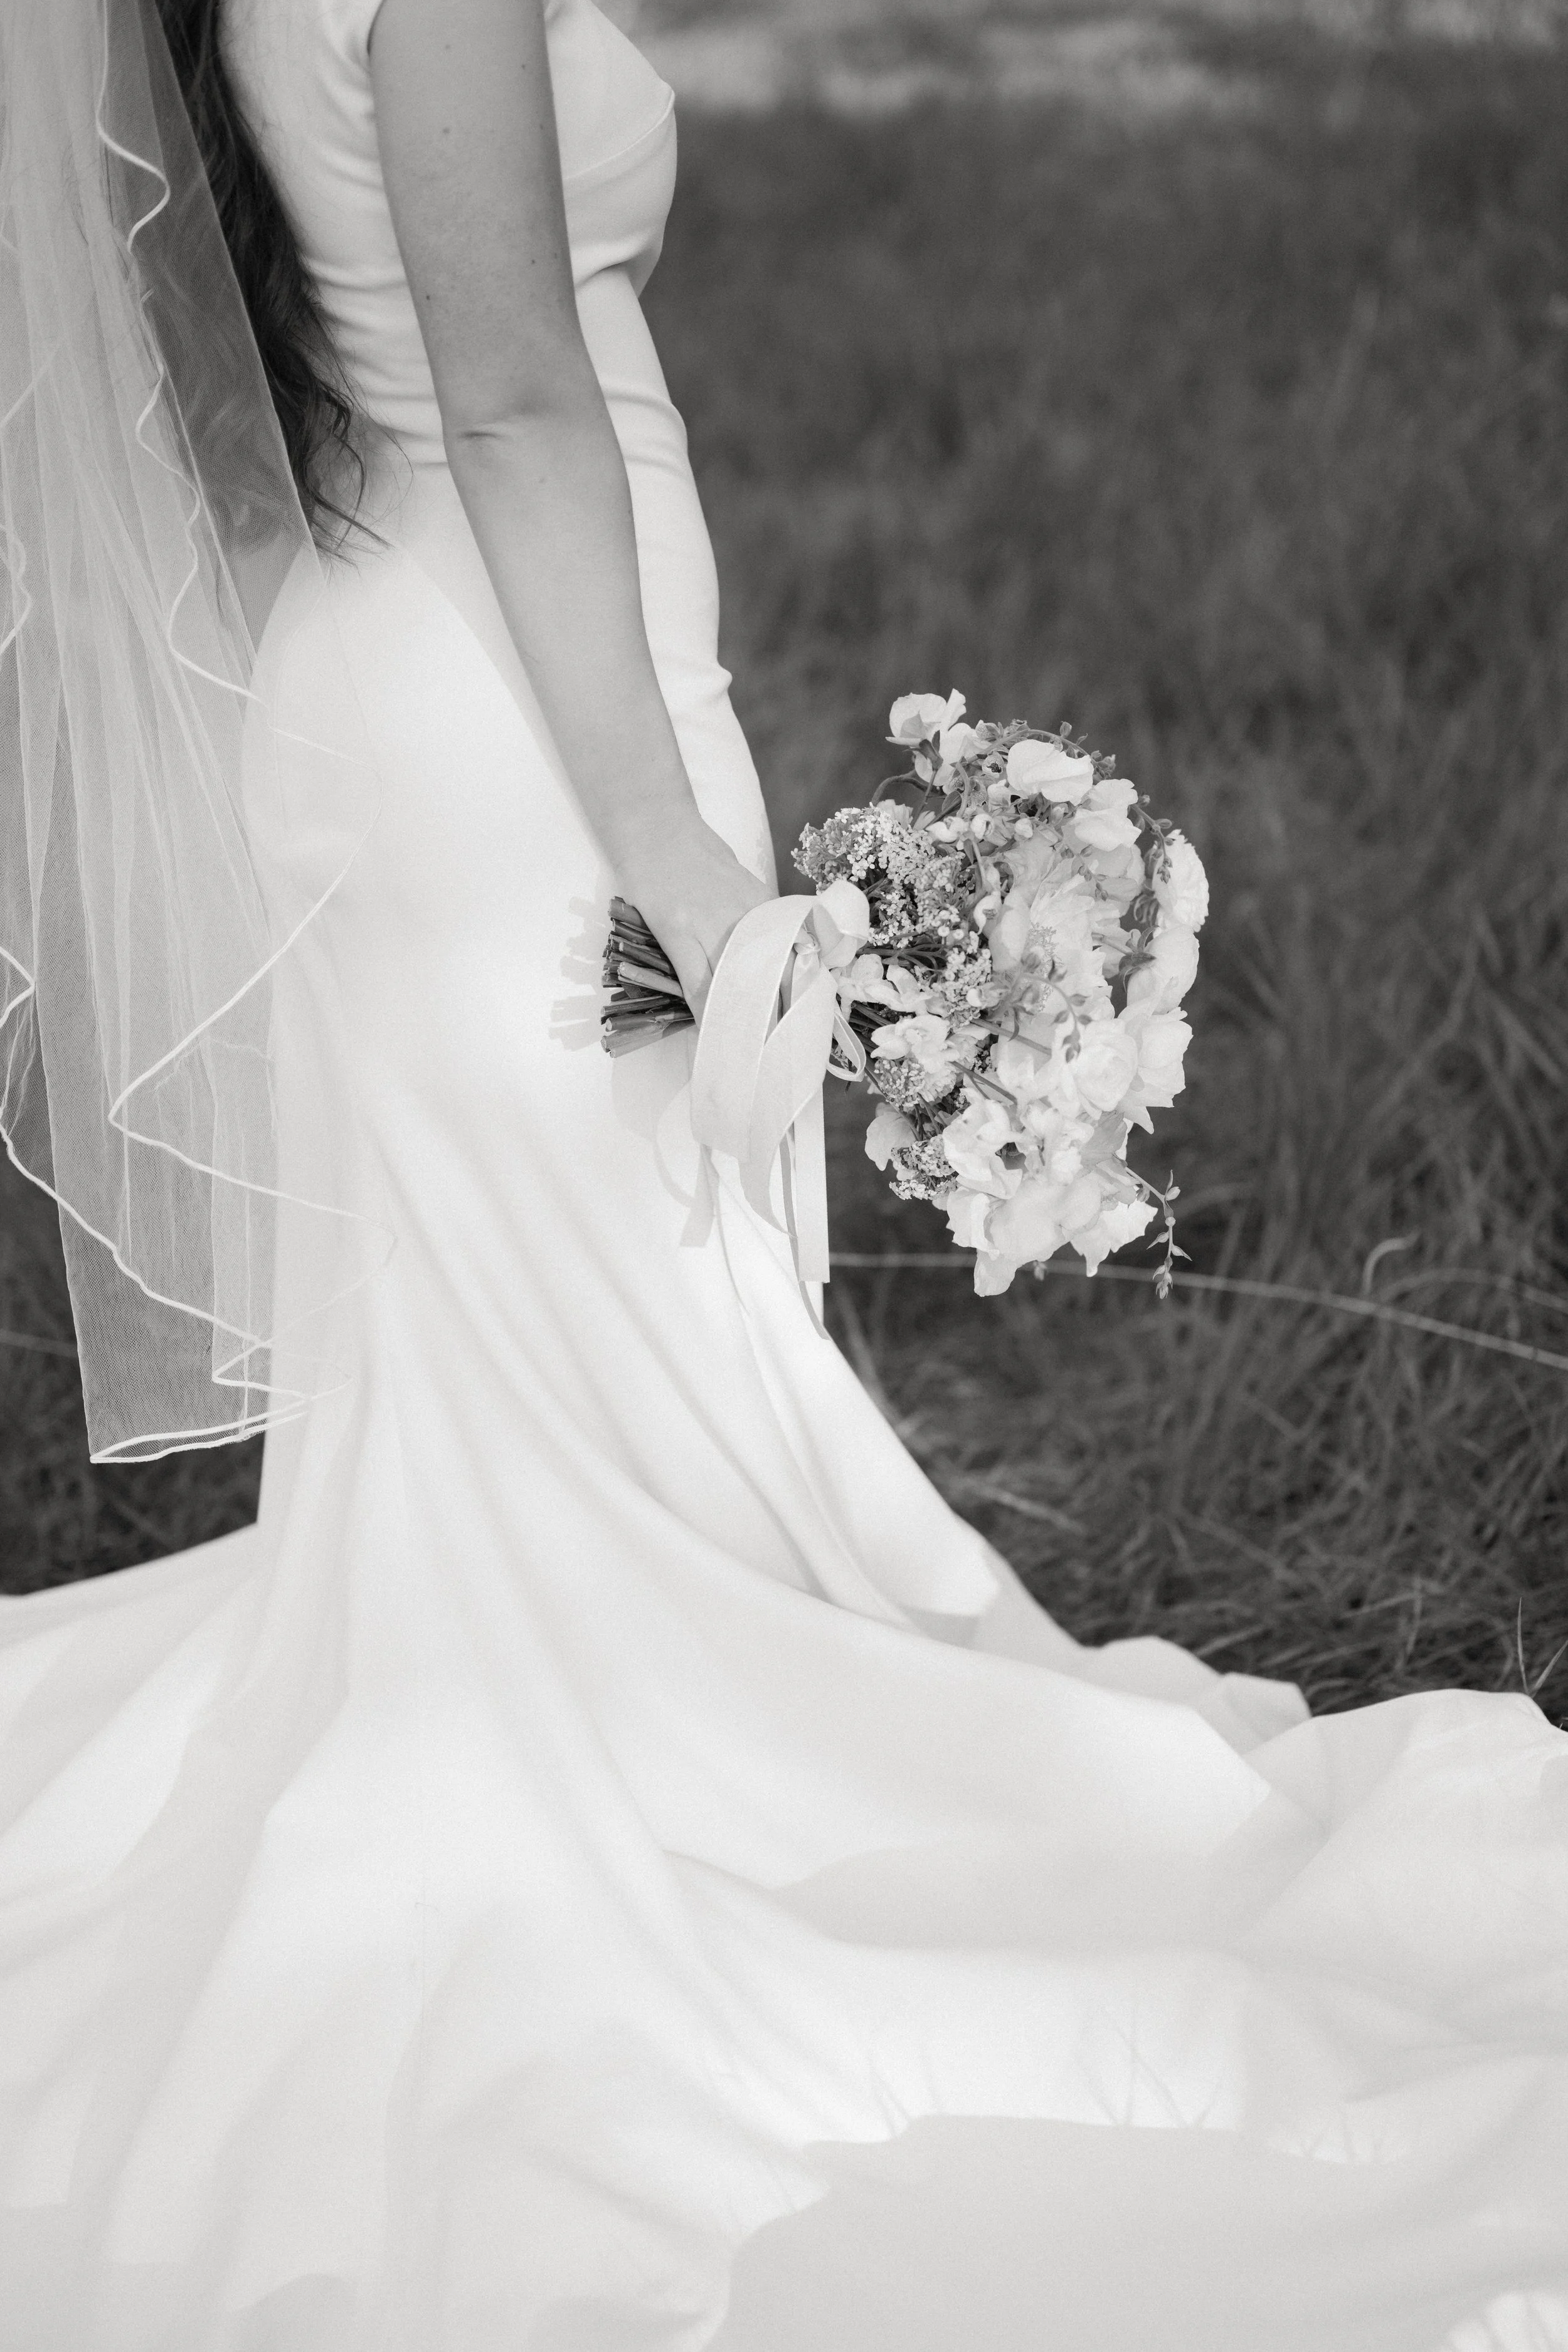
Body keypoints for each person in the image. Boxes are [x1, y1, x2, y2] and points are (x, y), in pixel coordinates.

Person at [0, 3, 1564, 2346]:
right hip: (527, 726)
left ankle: (494, 1785)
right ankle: (584, 1859)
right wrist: (679, 873)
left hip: (404, 674)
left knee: (554, 1411)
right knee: (647, 1382)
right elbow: (514, 391)